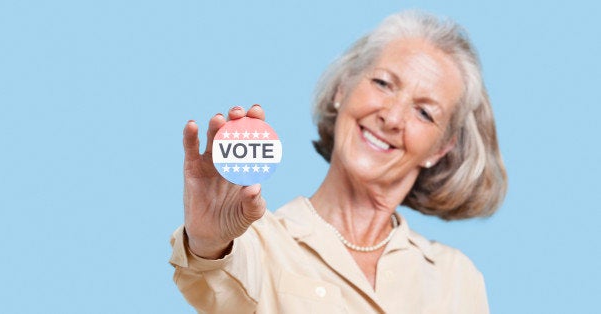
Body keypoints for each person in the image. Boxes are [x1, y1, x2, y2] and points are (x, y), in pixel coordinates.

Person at [170, 10, 507, 313]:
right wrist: (208, 242)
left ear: (440, 149)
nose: (392, 117)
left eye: (423, 112)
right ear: (342, 90)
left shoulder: (456, 278)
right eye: (383, 83)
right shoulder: (257, 245)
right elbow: (214, 276)